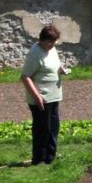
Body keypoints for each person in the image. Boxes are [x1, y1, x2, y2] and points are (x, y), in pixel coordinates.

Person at [20, 24, 70, 166]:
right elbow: (25, 77)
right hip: (41, 98)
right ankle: (39, 159)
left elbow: (53, 64)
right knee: (43, 129)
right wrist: (37, 96)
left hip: (54, 95)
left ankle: (50, 157)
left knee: (54, 127)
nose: (52, 45)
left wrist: (61, 70)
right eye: (50, 42)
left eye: (54, 42)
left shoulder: (52, 49)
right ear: (42, 40)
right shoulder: (35, 53)